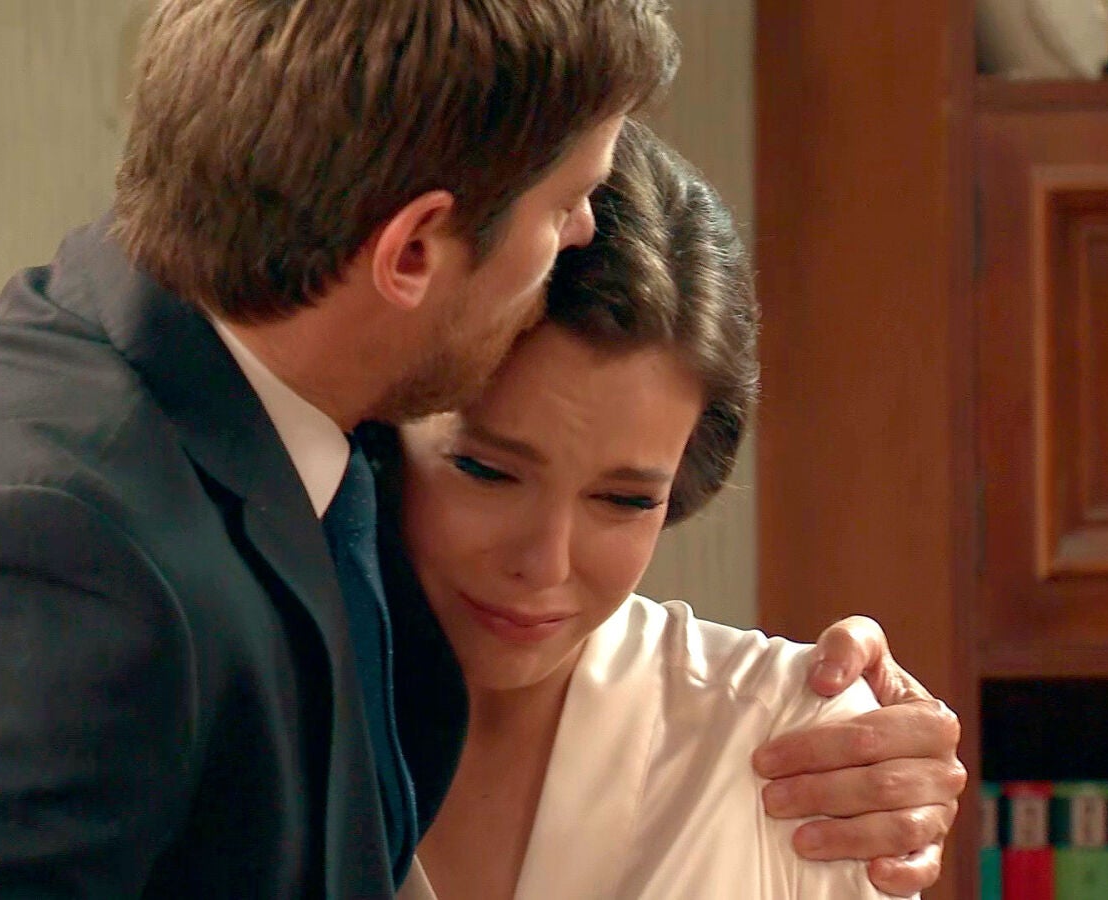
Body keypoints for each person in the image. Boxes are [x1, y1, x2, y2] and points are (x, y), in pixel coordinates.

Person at [0, 3, 956, 897]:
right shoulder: (57, 562)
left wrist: (842, 730)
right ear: (412, 250)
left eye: (625, 497)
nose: (581, 235)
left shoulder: (239, 440)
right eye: (568, 203)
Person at [373, 122, 938, 897]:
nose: (545, 562)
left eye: (624, 500)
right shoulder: (256, 698)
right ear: (385, 430)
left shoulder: (789, 743)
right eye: (487, 471)